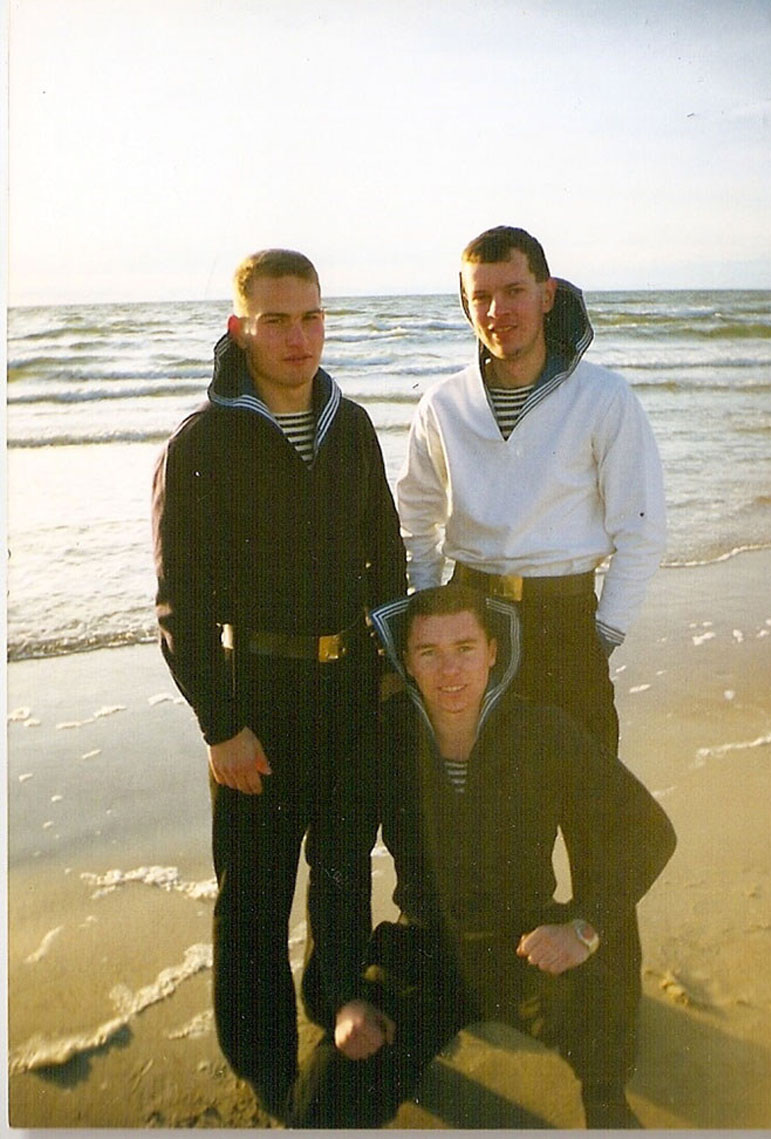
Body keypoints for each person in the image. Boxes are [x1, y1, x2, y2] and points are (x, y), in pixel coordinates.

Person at [151, 248, 407, 1118]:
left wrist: (390, 673)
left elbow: (389, 559)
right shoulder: (204, 440)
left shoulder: (355, 424)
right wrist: (221, 725)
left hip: (352, 692)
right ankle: (260, 1057)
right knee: (254, 893)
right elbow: (179, 603)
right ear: (239, 328)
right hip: (257, 695)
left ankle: (333, 1001)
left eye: (311, 316)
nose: (298, 337)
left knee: (342, 869)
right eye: (277, 319)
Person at [287, 585, 676, 1130]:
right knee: (319, 1106)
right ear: (407, 661)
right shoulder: (382, 737)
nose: (450, 671)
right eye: (430, 654)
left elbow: (649, 831)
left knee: (606, 969)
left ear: (493, 651)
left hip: (527, 941)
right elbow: (336, 868)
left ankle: (605, 1098)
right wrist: (346, 998)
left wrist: (584, 926)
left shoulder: (544, 729)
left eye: (465, 649)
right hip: (425, 948)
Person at [396, 224, 667, 753]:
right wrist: (428, 622)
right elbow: (417, 521)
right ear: (466, 305)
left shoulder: (603, 397)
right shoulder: (443, 404)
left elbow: (642, 529)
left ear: (547, 296)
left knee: (588, 810)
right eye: (482, 297)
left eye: (514, 291)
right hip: (467, 615)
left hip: (564, 619)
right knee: (492, 819)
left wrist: (604, 634)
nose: (498, 311)